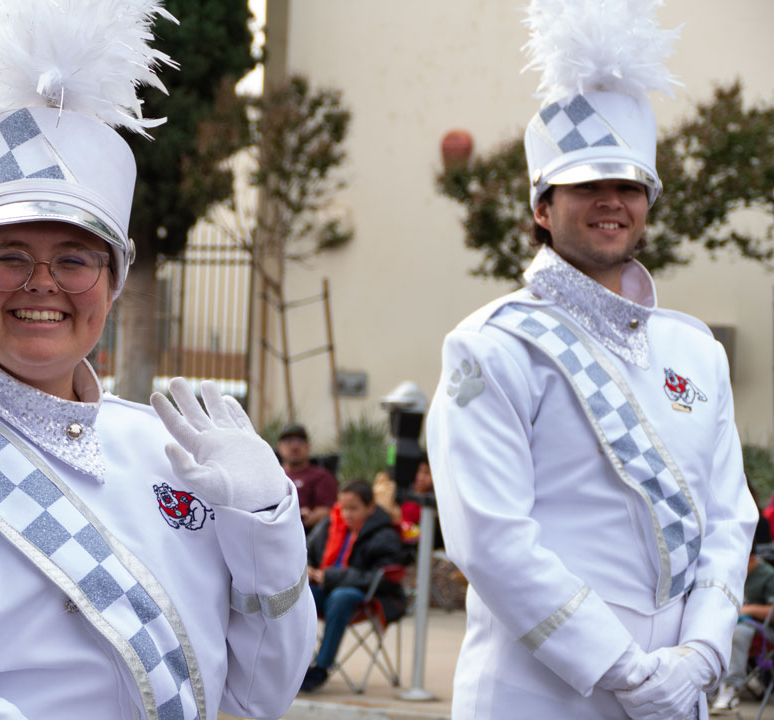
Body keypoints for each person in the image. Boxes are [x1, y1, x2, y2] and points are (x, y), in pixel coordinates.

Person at [0, 3, 316, 719]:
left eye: (75, 259)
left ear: (112, 282)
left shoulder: (168, 450)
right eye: (8, 257)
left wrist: (266, 521)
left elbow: (261, 693)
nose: (43, 282)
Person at [426, 2, 756, 718]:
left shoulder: (695, 349)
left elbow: (730, 519)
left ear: (649, 201)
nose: (612, 201)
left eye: (629, 185)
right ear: (543, 206)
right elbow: (491, 540)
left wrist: (699, 657)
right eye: (586, 185)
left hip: (677, 697)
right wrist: (629, 675)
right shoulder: (493, 345)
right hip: (539, 697)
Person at [301, 479, 405, 692]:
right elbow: (305, 553)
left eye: (353, 508)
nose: (346, 514)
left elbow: (382, 577)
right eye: (343, 507)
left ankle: (320, 667)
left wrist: (331, 577)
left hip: (366, 596)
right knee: (301, 594)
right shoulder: (329, 525)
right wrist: (309, 570)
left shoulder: (385, 534)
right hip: (325, 590)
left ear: (371, 508)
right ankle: (296, 665)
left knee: (341, 596)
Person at [710, 517, 774, 714]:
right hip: (728, 625)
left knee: (739, 630)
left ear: (750, 557)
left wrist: (748, 610)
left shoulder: (767, 574)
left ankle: (730, 688)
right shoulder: (729, 571)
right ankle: (706, 685)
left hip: (761, 633)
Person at [278, 423, 338, 532]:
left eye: (300, 442)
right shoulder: (272, 475)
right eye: (288, 441)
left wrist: (309, 515)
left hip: (306, 533)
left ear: (308, 447)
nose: (294, 447)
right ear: (280, 447)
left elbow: (328, 510)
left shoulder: (321, 476)